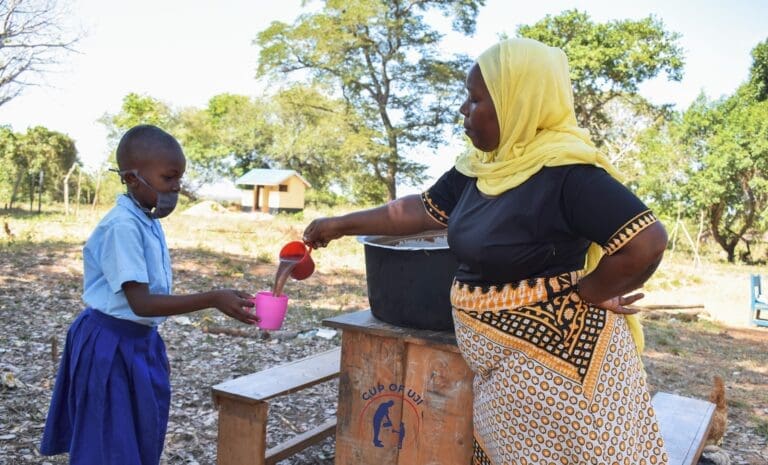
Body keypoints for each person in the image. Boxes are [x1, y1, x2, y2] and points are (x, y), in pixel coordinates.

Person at [303, 38, 670, 464]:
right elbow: (418, 211)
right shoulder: (481, 170)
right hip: (504, 378)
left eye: (475, 99)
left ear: (518, 103)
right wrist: (338, 225)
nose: (464, 109)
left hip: (560, 384)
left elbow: (645, 242)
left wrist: (588, 294)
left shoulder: (567, 174)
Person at [40, 124, 258, 465]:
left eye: (179, 178)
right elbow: (140, 302)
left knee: (140, 432)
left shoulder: (146, 219)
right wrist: (213, 298)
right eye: (168, 178)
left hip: (139, 341)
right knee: (109, 442)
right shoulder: (122, 226)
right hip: (109, 345)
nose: (176, 187)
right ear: (131, 178)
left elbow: (147, 304)